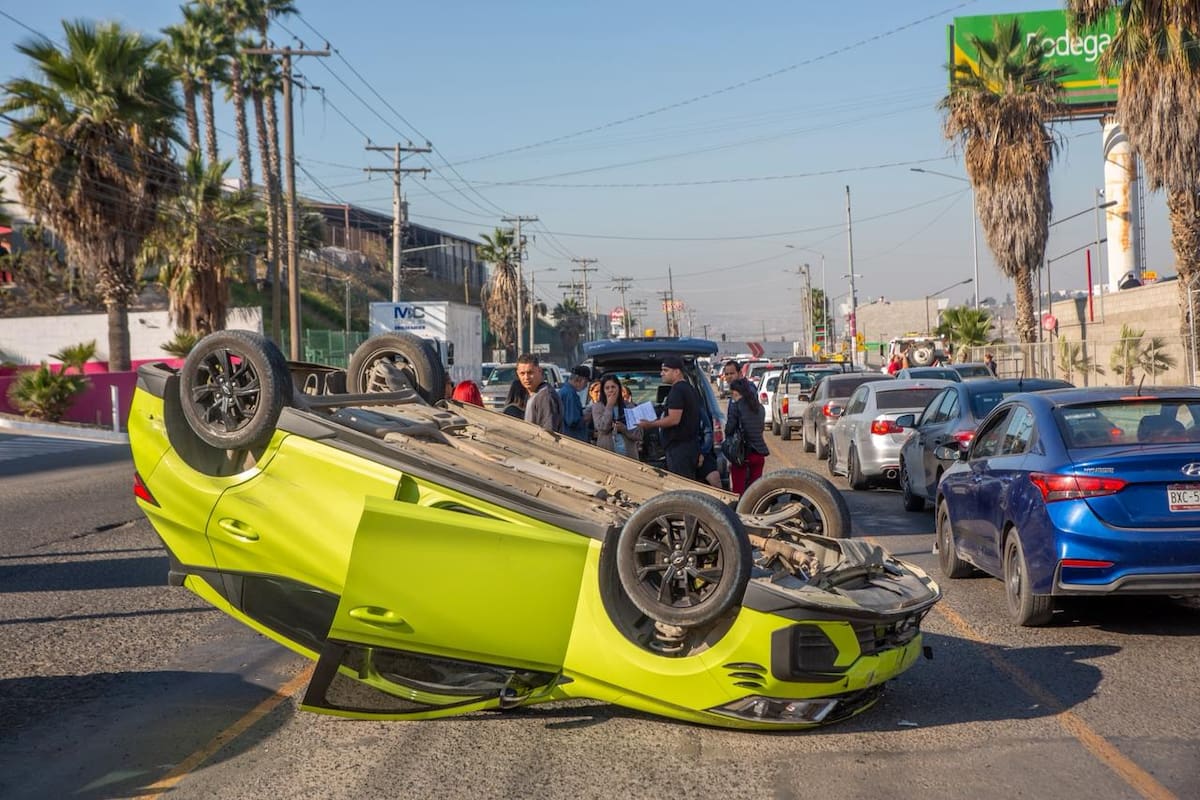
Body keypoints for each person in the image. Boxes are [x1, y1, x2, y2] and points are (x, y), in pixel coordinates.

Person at [638, 355, 700, 478]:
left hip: (680, 449)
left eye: (665, 370)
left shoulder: (678, 390)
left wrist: (650, 424)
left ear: (677, 372)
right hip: (688, 447)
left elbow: (674, 419)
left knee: (682, 484)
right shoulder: (689, 388)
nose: (662, 374)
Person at [725, 377, 770, 495]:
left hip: (742, 455)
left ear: (736, 392)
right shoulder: (760, 408)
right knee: (755, 493)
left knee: (738, 493)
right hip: (759, 454)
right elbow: (760, 428)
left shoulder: (736, 406)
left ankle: (738, 513)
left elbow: (729, 429)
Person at [592, 373, 642, 457]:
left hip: (628, 454)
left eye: (613, 387)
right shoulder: (598, 407)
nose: (610, 390)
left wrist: (624, 429)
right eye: (607, 388)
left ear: (619, 388)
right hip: (607, 454)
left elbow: (638, 434)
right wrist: (609, 406)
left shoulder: (629, 406)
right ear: (603, 391)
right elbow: (602, 428)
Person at [517, 353, 563, 432]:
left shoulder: (545, 396)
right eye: (522, 373)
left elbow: (548, 433)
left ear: (539, 371)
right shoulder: (535, 393)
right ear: (517, 374)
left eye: (530, 373)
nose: (526, 377)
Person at [559, 365, 591, 441]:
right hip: (572, 440)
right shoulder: (570, 394)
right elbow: (572, 421)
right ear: (579, 379)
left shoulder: (564, 391)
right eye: (586, 382)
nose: (586, 386)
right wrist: (586, 418)